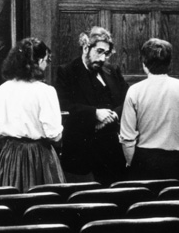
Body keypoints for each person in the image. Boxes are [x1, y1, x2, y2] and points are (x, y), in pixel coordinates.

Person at [0, 37, 65, 192]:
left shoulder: (2, 90)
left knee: (11, 202)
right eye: (46, 60)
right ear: (40, 61)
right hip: (39, 157)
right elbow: (54, 134)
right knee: (43, 203)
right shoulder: (45, 91)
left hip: (10, 157)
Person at [119, 38, 179, 182]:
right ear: (170, 63)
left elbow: (127, 137)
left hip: (143, 159)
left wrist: (133, 165)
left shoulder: (135, 90)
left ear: (144, 64)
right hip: (176, 158)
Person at [54, 26, 128, 185]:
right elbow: (63, 104)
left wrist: (114, 114)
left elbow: (128, 99)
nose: (103, 59)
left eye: (106, 54)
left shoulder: (112, 70)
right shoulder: (67, 72)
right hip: (81, 150)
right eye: (99, 51)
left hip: (111, 150)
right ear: (86, 47)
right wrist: (94, 112)